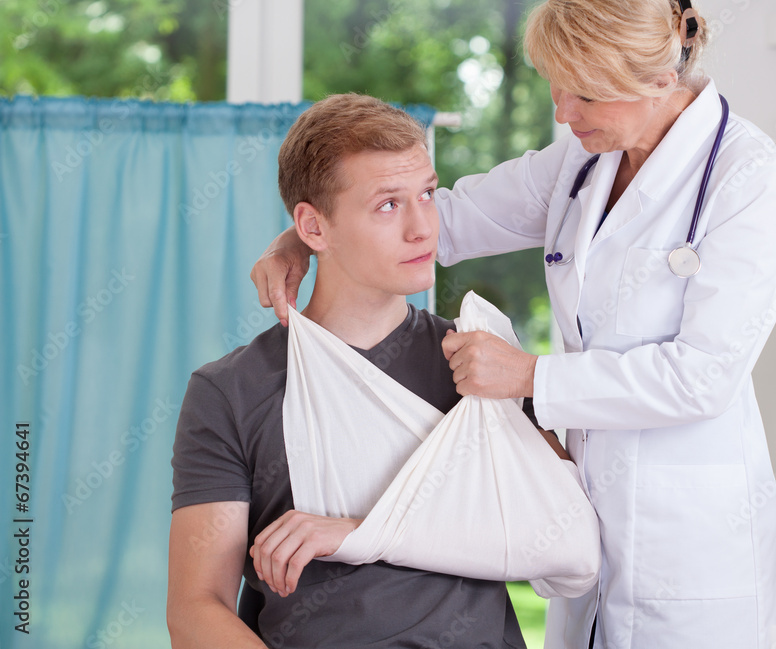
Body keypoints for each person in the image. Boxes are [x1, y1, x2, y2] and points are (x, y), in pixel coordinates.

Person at [250, 0, 776, 647]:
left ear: (658, 81)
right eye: (557, 88)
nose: (564, 114)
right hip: (583, 524)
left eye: (586, 96)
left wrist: (530, 376)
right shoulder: (583, 161)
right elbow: (438, 222)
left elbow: (703, 376)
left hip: (691, 546)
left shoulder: (745, 177)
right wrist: (302, 235)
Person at [167, 93, 534, 649]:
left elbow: (555, 539)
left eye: (428, 194)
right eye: (388, 204)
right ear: (312, 228)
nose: (422, 229)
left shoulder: (480, 363)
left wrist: (365, 534)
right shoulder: (230, 391)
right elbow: (197, 609)